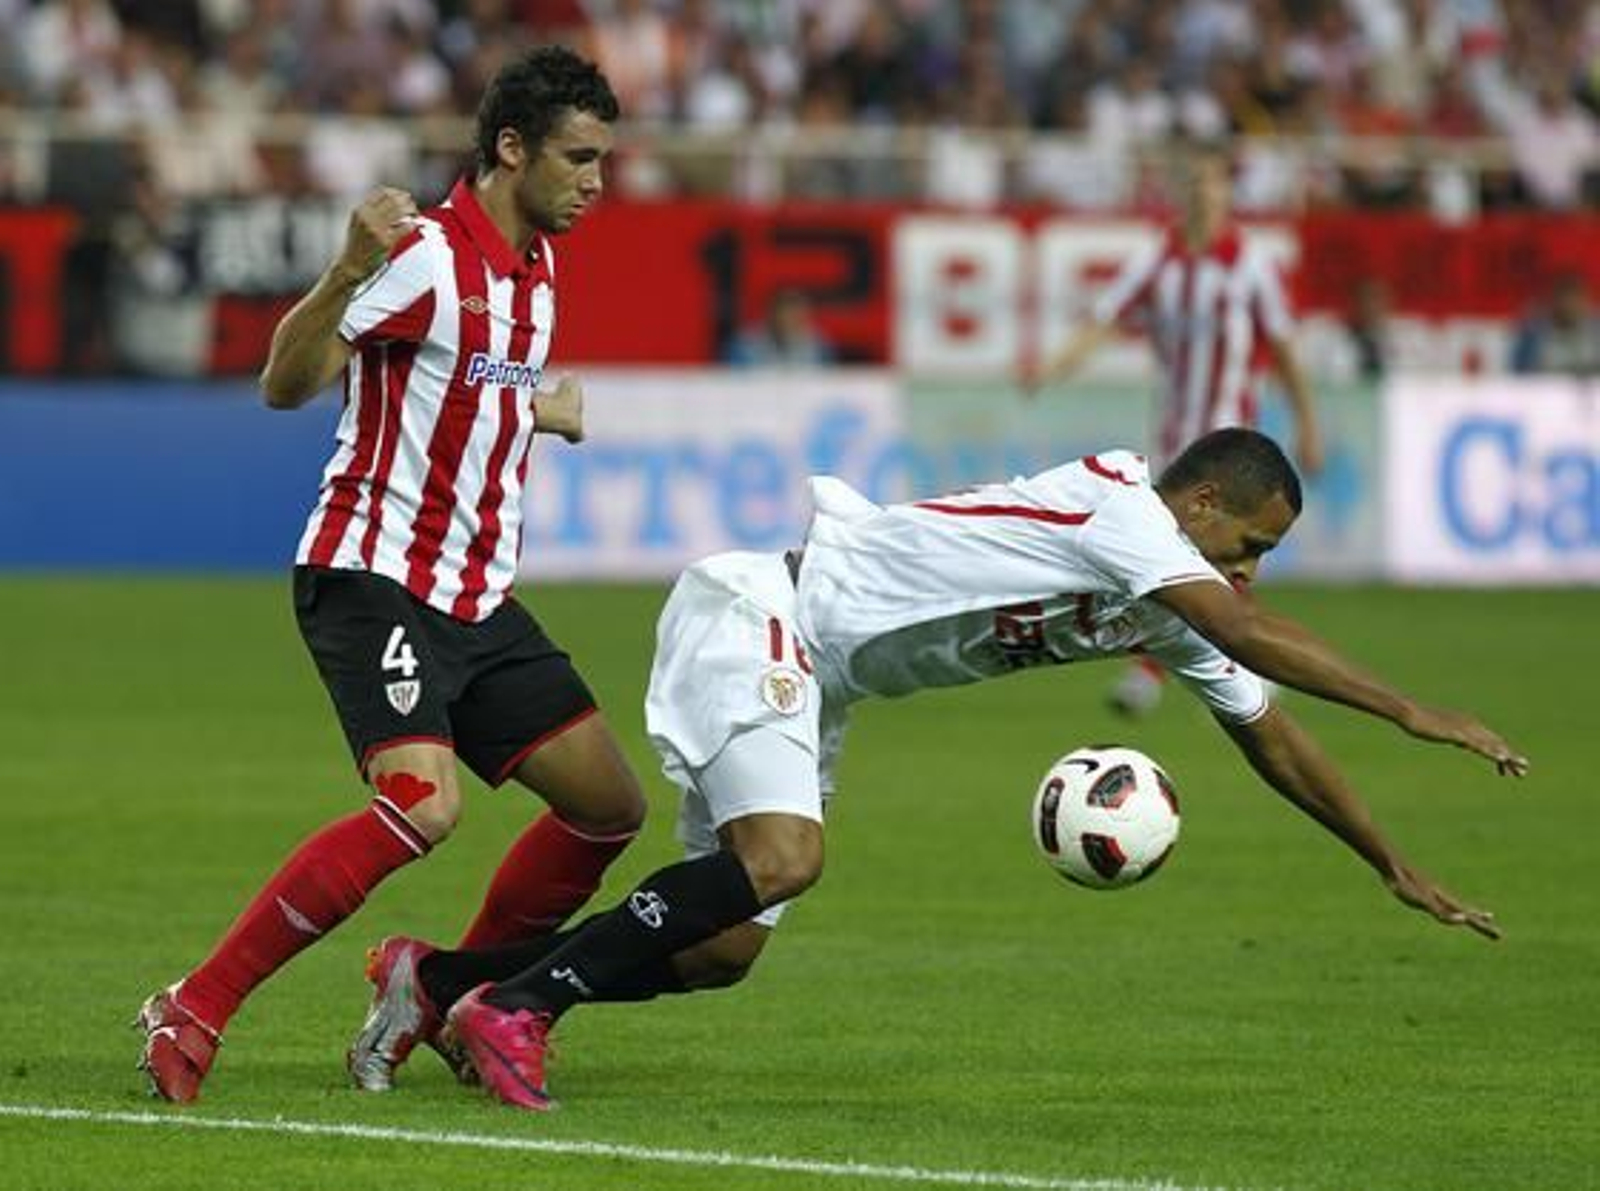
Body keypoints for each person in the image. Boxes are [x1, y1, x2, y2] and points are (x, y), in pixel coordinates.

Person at [346, 428, 1527, 1111]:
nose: (1250, 573)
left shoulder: (1163, 606)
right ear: (1204, 502)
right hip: (767, 615)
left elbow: (1270, 732)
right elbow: (1250, 631)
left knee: (720, 949)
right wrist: (1411, 711)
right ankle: (521, 1009)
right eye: (1250, 545)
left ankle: (439, 981)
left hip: (821, 679)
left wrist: (1386, 861)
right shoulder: (1122, 510)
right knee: (785, 859)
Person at [135, 46, 651, 1104]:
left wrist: (536, 412)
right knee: (423, 804)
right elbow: (285, 384)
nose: (598, 181)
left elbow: (458, 391)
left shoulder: (537, 272)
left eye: (603, 159)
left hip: (475, 594)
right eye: (579, 158)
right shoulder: (422, 258)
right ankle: (194, 1004)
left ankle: (451, 990)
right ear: (511, 149)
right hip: (374, 574)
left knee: (607, 807)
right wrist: (343, 271)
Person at [1026, 139, 1324, 719]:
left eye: (1215, 183)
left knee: (1207, 550)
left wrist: (1307, 423)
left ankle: (1158, 670)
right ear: (1183, 191)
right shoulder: (1159, 258)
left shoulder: (1251, 263)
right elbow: (1105, 317)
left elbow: (1284, 349)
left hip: (1231, 439)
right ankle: (1229, 665)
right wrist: (1055, 364)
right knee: (1176, 552)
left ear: (1228, 192)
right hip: (1176, 439)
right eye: (1196, 182)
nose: (1205, 194)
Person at [1509, 272, 1600, 378]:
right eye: (1564, 300)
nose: (1569, 306)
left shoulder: (1596, 332)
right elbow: (1520, 375)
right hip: (1544, 386)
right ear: (1554, 301)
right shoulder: (1533, 335)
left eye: (1574, 300)